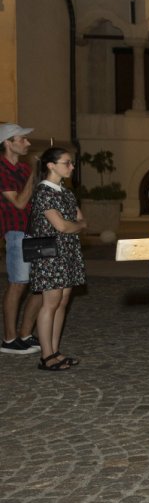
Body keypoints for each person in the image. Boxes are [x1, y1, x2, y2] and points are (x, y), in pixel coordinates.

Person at [27, 148, 86, 370]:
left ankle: (55, 351)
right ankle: (46, 356)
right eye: (67, 163)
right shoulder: (44, 192)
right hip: (51, 255)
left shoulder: (65, 192)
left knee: (62, 302)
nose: (72, 167)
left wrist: (75, 225)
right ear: (51, 165)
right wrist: (75, 226)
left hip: (68, 252)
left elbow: (82, 221)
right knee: (50, 303)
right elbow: (61, 225)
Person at [0, 123, 42, 354]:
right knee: (18, 283)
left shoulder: (24, 170)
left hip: (33, 230)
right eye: (22, 139)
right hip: (16, 231)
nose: (27, 143)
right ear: (8, 142)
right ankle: (9, 339)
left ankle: (25, 334)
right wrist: (35, 173)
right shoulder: (2, 169)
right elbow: (19, 203)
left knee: (39, 285)